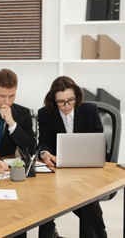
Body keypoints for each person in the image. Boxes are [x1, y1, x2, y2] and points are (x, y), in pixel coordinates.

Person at [38, 76, 107, 238]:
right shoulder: (45, 113)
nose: (67, 106)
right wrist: (45, 153)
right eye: (61, 102)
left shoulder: (89, 110)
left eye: (70, 100)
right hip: (56, 173)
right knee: (44, 203)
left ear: (77, 96)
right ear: (53, 100)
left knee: (89, 205)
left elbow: (99, 143)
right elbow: (44, 142)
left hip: (85, 173)